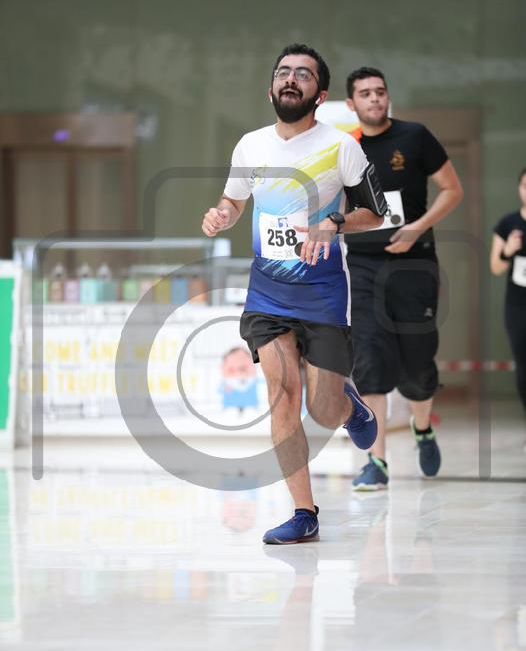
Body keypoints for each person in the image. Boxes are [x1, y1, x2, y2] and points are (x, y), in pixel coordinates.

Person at [202, 44, 386, 544]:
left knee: (323, 410)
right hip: (268, 292)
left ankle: (349, 408)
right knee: (282, 396)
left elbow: (375, 214)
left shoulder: (341, 147)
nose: (291, 79)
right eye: (283, 72)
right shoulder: (251, 146)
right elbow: (234, 200)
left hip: (323, 291)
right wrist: (222, 215)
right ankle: (304, 512)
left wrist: (334, 222)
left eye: (303, 75)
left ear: (319, 94)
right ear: (270, 89)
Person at [344, 67, 463, 490]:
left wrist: (417, 227)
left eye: (380, 91)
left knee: (417, 363)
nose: (374, 98)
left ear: (388, 97)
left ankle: (422, 428)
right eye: (365, 93)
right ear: (351, 104)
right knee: (370, 361)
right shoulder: (345, 147)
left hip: (415, 265)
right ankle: (376, 461)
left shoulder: (415, 137)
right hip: (363, 266)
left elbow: (452, 189)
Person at [490, 167, 526, 422]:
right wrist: (509, 250)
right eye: (525, 185)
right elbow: (496, 267)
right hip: (518, 306)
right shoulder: (508, 224)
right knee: (523, 363)